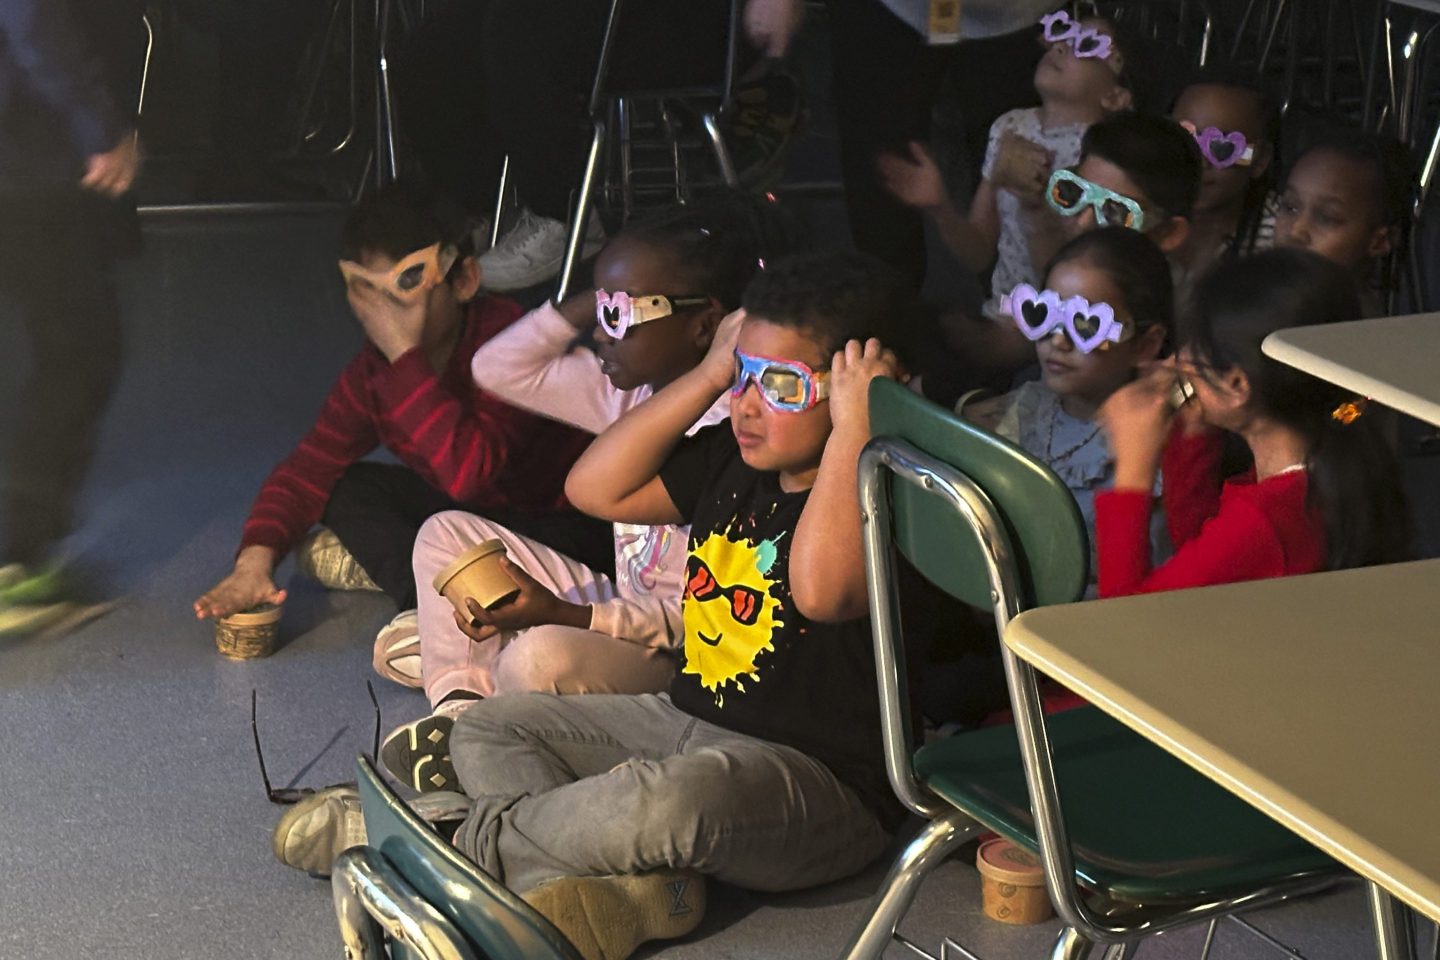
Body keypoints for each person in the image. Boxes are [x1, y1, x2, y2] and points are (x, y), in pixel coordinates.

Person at [273, 253, 935, 960]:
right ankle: (641, 889)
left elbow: (820, 591)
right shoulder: (731, 458)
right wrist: (709, 372)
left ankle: (445, 838)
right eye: (743, 375)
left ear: (852, 393)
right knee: (493, 728)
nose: (745, 403)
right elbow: (596, 487)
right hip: (685, 717)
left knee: (671, 801)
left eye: (779, 385)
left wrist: (855, 430)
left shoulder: (885, 491)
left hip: (819, 784)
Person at [376, 197, 800, 790]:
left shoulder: (742, 433)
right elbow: (498, 368)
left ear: (707, 325)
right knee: (446, 534)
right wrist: (606, 290)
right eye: (599, 311)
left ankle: (489, 693)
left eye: (621, 316)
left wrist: (568, 616)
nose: (601, 334)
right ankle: (460, 717)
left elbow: (698, 624)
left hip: (677, 656)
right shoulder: (626, 393)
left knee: (538, 656)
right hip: (619, 614)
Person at [192, 186, 598, 624]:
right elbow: (308, 469)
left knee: (511, 532)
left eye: (404, 287)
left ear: (463, 281)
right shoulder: (375, 371)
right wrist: (254, 563)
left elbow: (470, 474)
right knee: (346, 486)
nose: (384, 315)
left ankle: (446, 593)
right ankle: (429, 601)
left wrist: (406, 359)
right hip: (480, 523)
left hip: (562, 524)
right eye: (369, 292)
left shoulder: (508, 343)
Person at [1094, 248, 1410, 598]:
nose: (1178, 359)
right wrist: (1194, 437)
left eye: (1195, 347)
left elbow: (1123, 621)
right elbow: (1201, 556)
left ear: (1236, 385)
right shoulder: (1331, 462)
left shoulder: (1266, 519)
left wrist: (1132, 471)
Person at [0, 0, 145, 636]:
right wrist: (99, 127)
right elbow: (30, 16)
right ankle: (15, 568)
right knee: (77, 353)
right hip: (30, 154)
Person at [878, 11, 1136, 320]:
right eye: (1062, 34)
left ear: (1116, 96)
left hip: (1074, 321)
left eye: (1087, 44)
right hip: (1004, 313)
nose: (1060, 47)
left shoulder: (1107, 159)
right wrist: (940, 205)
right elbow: (978, 254)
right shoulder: (1011, 126)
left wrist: (1039, 209)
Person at [963, 227, 1173, 593]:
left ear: (1146, 344)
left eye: (1086, 325)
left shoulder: (1151, 447)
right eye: (1044, 314)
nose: (1057, 341)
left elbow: (1150, 579)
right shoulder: (1026, 405)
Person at [940, 110, 1203, 392]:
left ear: (1168, 233)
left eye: (1115, 212)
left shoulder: (1177, 309)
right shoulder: (1073, 262)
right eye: (1075, 193)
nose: (1082, 222)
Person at [1273, 130, 1413, 317]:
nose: (1296, 231)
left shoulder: (1354, 332)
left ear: (1380, 241)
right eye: (1289, 207)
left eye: (1326, 218)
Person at [1168, 68, 1281, 299]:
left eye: (1221, 148)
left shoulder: (1279, 239)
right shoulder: (1134, 200)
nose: (1198, 161)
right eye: (1183, 139)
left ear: (1259, 160)